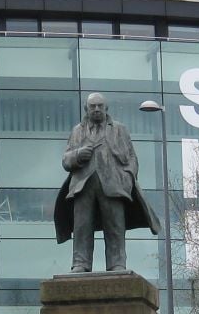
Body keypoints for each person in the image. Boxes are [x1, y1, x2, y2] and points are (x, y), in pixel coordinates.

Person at [53, 93, 159, 272]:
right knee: (82, 226)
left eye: (100, 106)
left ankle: (117, 263)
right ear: (86, 109)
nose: (96, 109)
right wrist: (78, 155)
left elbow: (132, 159)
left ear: (106, 108)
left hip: (113, 185)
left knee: (116, 226)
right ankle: (81, 263)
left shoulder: (119, 130)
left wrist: (127, 177)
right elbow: (66, 160)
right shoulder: (77, 131)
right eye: (92, 106)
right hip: (83, 187)